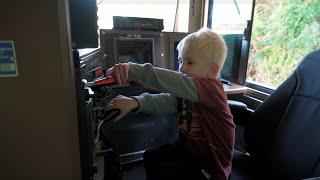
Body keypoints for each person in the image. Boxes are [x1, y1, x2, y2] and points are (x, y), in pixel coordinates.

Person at [106, 27, 235, 180]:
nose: (181, 68)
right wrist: (135, 102)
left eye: (190, 62)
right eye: (180, 61)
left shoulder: (212, 88)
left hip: (210, 165)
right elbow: (169, 100)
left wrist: (132, 70)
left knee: (166, 170)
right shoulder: (191, 91)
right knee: (151, 156)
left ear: (212, 71)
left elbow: (172, 80)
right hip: (190, 151)